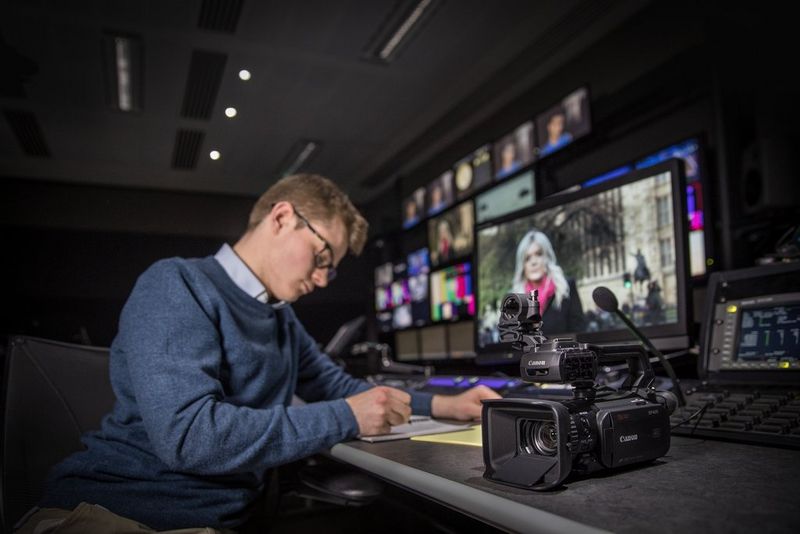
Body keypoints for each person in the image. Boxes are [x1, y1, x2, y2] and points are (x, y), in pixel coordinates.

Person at [20, 174, 500, 533]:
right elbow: (188, 437)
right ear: (282, 217)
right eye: (323, 258)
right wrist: (345, 418)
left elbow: (340, 387)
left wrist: (442, 405)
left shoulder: (279, 317)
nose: (321, 280)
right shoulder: (176, 285)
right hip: (122, 513)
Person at [511, 229, 585, 335]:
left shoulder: (567, 288)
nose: (533, 262)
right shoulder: (514, 301)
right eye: (527, 258)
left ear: (547, 257)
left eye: (539, 254)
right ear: (522, 265)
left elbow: (579, 333)